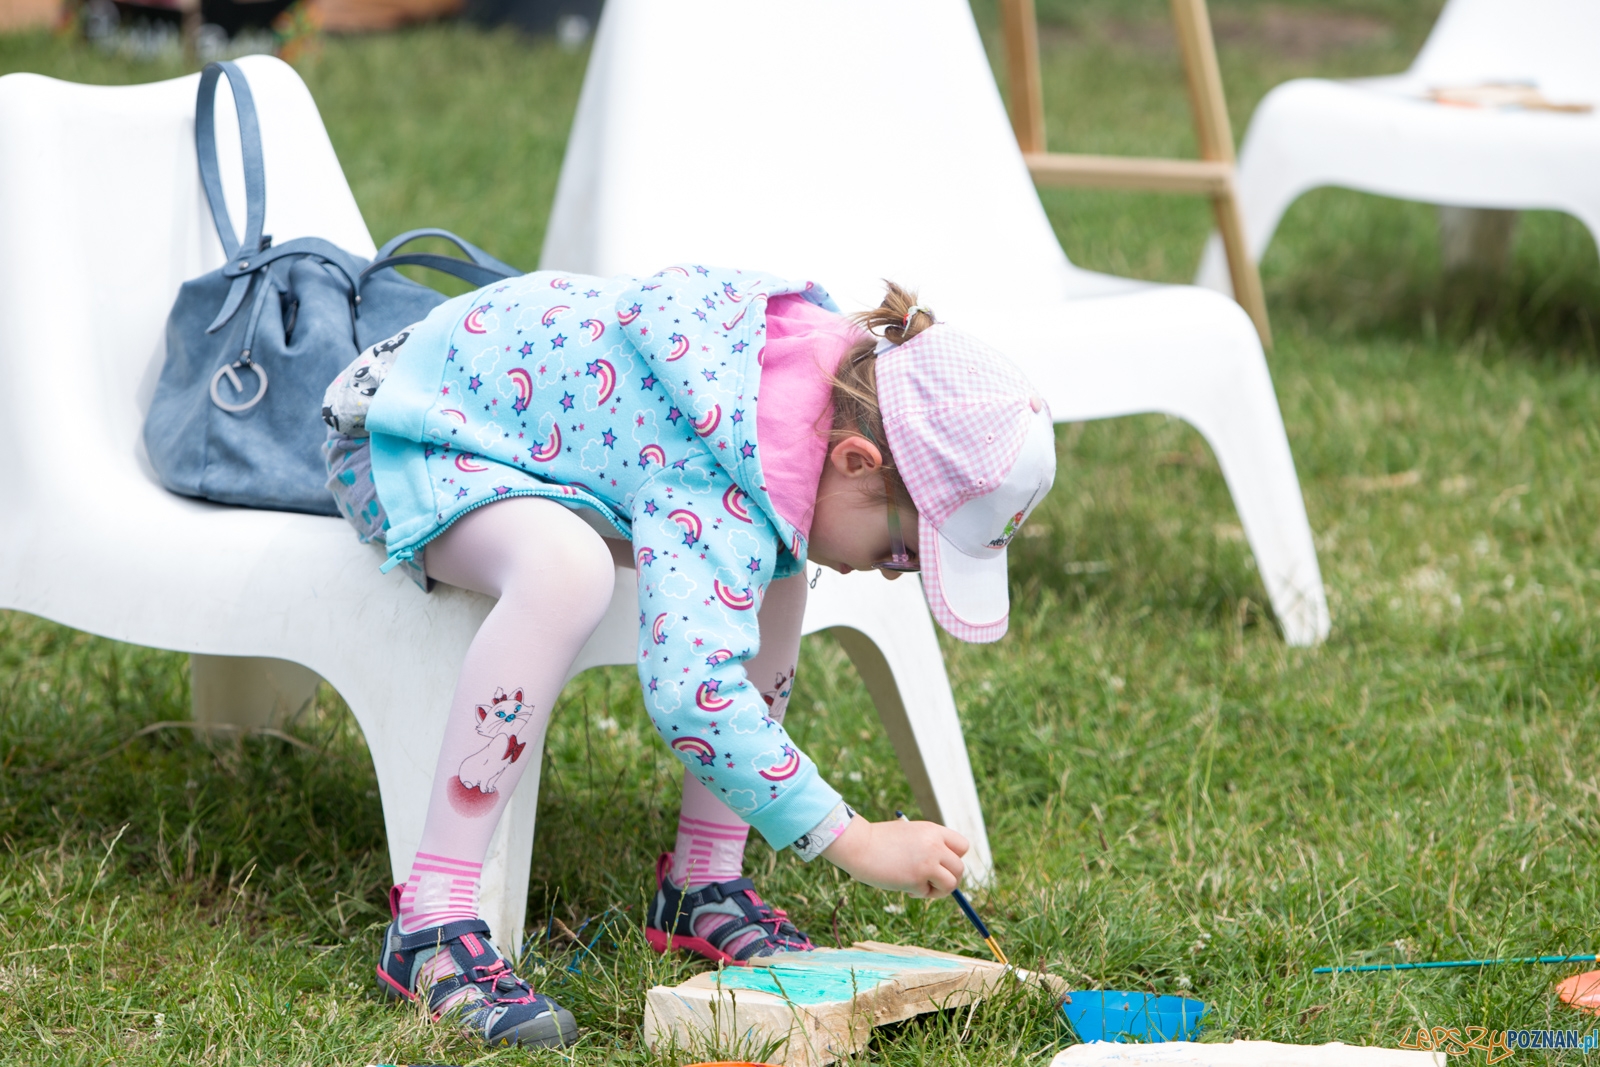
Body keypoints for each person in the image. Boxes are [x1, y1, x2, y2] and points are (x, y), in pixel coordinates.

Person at [321, 264, 1057, 1048]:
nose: (888, 572)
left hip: (512, 432)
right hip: (404, 433)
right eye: (902, 550)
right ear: (855, 461)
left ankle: (702, 884)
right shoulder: (718, 468)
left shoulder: (810, 395)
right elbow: (693, 693)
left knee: (782, 561)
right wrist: (858, 838)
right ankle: (430, 925)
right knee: (566, 573)